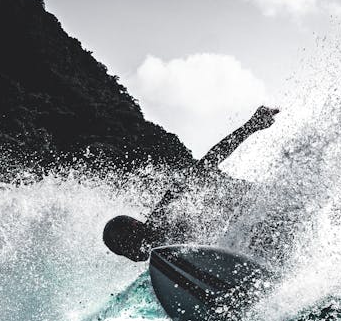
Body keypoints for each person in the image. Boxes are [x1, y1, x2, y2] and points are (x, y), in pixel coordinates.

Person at [103, 105, 280, 262]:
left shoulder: (167, 209)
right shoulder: (166, 260)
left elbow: (209, 161)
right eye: (121, 253)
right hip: (248, 234)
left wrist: (251, 126)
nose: (129, 256)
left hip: (257, 206)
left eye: (124, 246)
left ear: (136, 227)